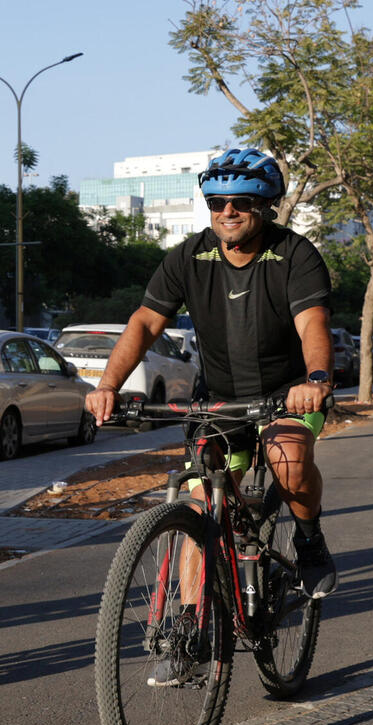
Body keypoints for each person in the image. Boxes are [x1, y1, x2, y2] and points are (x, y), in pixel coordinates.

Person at [82, 147, 337, 687]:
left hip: (284, 395)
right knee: (199, 504)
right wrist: (107, 386)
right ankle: (192, 634)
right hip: (218, 399)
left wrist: (314, 381)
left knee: (287, 459)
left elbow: (312, 321)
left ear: (264, 206)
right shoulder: (189, 257)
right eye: (216, 202)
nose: (226, 212)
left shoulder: (294, 255)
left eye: (239, 203)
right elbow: (146, 321)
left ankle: (309, 539)